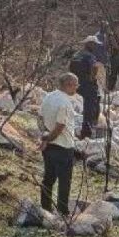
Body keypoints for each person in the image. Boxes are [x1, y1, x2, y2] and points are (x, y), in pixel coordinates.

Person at [38, 72, 80, 216]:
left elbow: (40, 118)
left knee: (48, 178)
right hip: (63, 146)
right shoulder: (65, 103)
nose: (77, 87)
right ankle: (63, 211)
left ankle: (45, 208)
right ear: (68, 85)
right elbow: (60, 126)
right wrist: (49, 138)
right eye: (76, 84)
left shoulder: (48, 97)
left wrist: (44, 136)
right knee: (64, 181)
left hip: (49, 146)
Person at [69, 36, 105, 138]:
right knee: (91, 105)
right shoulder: (90, 56)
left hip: (76, 83)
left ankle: (80, 127)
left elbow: (70, 69)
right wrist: (92, 79)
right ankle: (88, 130)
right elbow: (94, 68)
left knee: (81, 105)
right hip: (87, 84)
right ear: (90, 44)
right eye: (94, 45)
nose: (96, 47)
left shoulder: (76, 55)